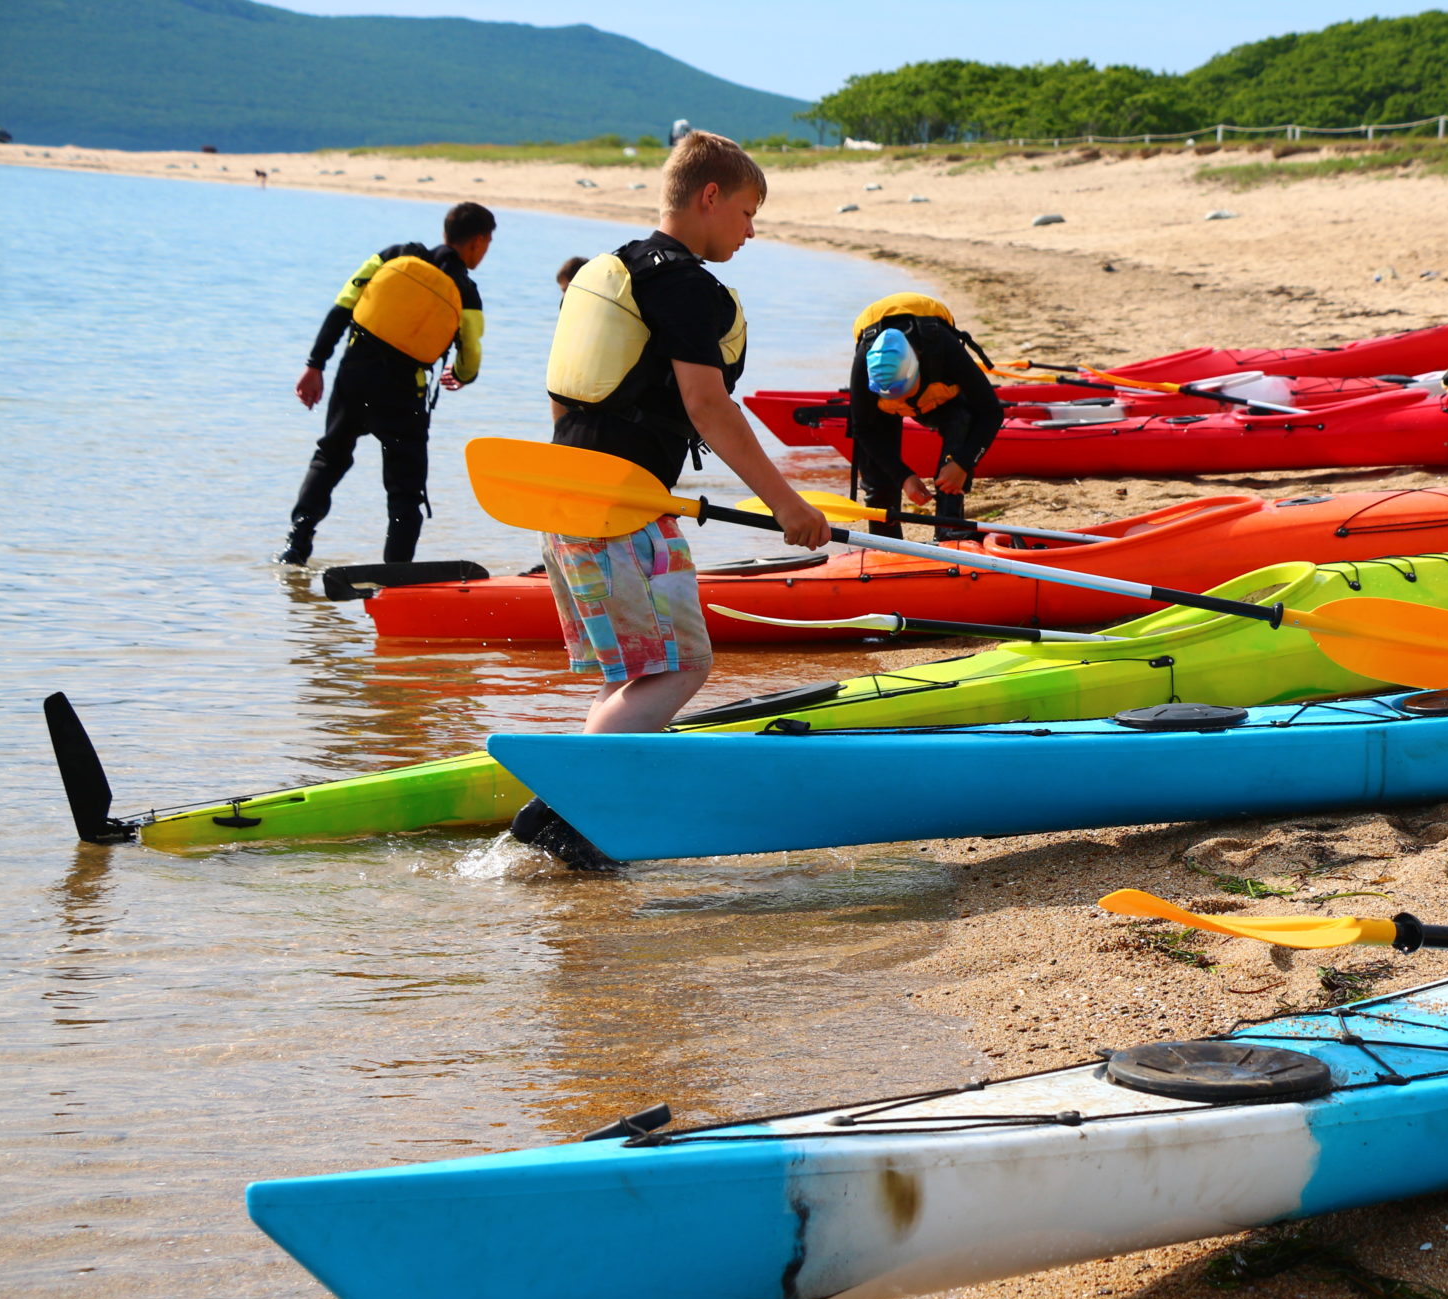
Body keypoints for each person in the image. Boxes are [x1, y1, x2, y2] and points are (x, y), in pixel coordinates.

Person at [515, 133, 830, 868]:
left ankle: (576, 822)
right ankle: (562, 810)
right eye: (748, 212)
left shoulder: (609, 268)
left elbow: (570, 403)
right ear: (709, 197)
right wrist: (788, 504)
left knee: (638, 672)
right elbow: (709, 406)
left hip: (564, 498)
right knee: (681, 664)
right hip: (618, 507)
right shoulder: (683, 283)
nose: (752, 231)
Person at [278, 202, 494, 566]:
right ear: (478, 241)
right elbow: (469, 357)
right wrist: (460, 375)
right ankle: (396, 576)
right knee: (405, 493)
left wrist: (315, 364)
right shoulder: (466, 292)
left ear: (445, 233)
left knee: (330, 458)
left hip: (355, 377)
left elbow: (343, 307)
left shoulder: (393, 255)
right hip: (403, 394)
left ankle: (296, 545)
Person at [845, 293, 1002, 540]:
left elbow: (991, 412)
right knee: (879, 481)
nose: (900, 403)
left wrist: (962, 462)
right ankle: (886, 545)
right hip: (881, 406)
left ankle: (950, 531)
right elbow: (863, 429)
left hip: (941, 396)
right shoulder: (863, 367)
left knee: (962, 422)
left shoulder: (945, 350)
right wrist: (904, 477)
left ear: (916, 364)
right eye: (893, 397)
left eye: (904, 393)